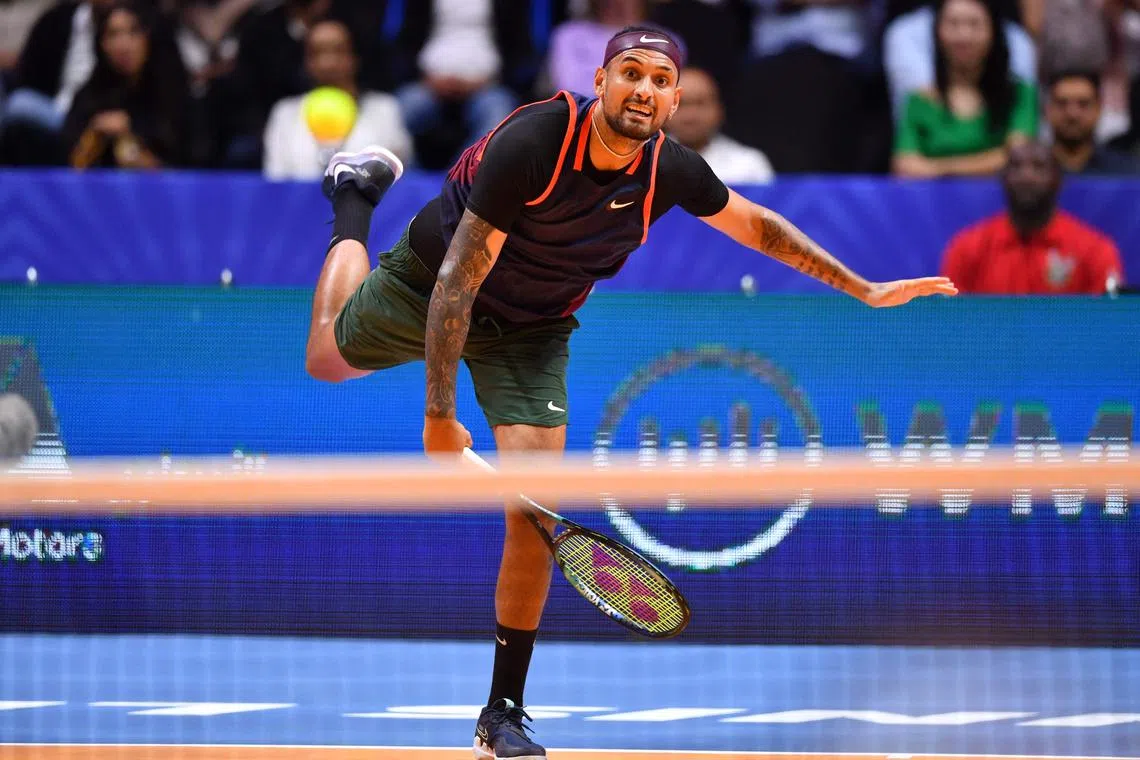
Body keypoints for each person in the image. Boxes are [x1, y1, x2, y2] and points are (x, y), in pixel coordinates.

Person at [304, 26, 956, 760]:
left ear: (675, 99)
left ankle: (503, 711)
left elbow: (760, 228)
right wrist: (439, 414)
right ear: (601, 80)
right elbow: (460, 279)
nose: (643, 89)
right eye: (629, 73)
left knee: (533, 509)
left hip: (532, 330)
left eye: (659, 80)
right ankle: (354, 195)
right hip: (435, 282)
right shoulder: (534, 142)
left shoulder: (669, 171)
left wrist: (862, 288)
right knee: (328, 357)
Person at [940, 140, 1125, 293]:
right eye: (1016, 166)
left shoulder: (1095, 251)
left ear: (1057, 179)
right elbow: (950, 322)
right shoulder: (966, 248)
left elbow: (1108, 324)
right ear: (1003, 178)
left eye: (1039, 166)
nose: (1026, 176)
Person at [892, 0, 1038, 178]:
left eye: (974, 24)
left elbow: (1017, 159)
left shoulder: (1021, 94)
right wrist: (989, 161)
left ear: (993, 31)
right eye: (953, 24)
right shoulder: (919, 100)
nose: (963, 36)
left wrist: (937, 168)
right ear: (937, 31)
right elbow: (904, 166)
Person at [262, 19, 412, 180]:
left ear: (355, 57)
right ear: (306, 62)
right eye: (317, 52)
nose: (328, 64)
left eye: (338, 50)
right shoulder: (284, 113)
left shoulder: (385, 110)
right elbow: (275, 183)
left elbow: (398, 177)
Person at [62, 1, 189, 169]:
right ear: (101, 43)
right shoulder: (89, 97)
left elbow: (192, 168)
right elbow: (69, 167)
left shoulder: (175, 96)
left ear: (149, 36)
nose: (123, 45)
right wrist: (95, 135)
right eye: (113, 34)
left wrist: (131, 131)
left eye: (133, 32)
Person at [665, 65, 773, 184]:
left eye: (700, 104)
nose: (690, 116)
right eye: (680, 105)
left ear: (719, 110)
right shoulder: (644, 162)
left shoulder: (749, 166)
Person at [1044, 69, 1140, 175]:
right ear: (1048, 110)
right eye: (1062, 103)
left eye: (1083, 104)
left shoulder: (1128, 171)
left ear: (1098, 110)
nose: (1072, 114)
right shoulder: (1029, 174)